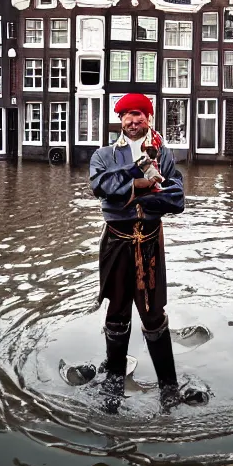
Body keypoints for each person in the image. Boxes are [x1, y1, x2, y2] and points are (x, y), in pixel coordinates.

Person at [87, 93, 185, 413]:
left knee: (154, 317)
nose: (133, 120)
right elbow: (102, 188)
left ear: (148, 118)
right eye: (127, 115)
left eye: (139, 115)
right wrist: (142, 180)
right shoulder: (102, 155)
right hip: (116, 244)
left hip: (151, 245)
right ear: (119, 119)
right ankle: (114, 388)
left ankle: (169, 389)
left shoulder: (165, 155)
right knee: (116, 315)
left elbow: (176, 200)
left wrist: (131, 196)